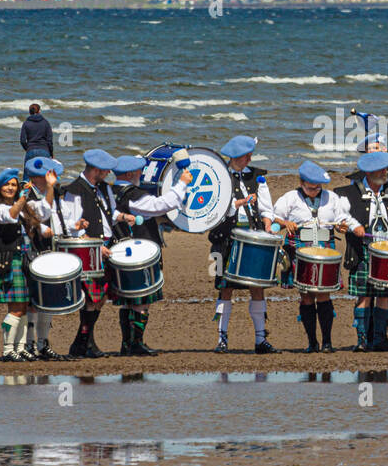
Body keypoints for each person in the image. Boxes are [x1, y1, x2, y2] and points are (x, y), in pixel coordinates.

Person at [109, 152, 192, 356]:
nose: (142, 172)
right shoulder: (134, 195)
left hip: (121, 251)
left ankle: (127, 343)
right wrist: (181, 183)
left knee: (130, 300)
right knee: (141, 300)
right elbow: (161, 206)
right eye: (138, 169)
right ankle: (135, 343)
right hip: (140, 253)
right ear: (129, 174)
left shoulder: (110, 191)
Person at [336, 150, 388, 352]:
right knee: (364, 295)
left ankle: (379, 339)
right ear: (368, 173)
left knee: (384, 294)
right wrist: (355, 226)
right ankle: (362, 340)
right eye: (380, 170)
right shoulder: (349, 192)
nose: (385, 173)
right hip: (363, 250)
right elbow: (341, 215)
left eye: (385, 169)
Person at [273, 160, 356, 353]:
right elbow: (273, 220)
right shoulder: (290, 197)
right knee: (306, 296)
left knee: (323, 294)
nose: (315, 191)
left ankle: (327, 342)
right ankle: (312, 343)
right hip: (299, 249)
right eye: (311, 188)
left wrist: (342, 227)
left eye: (318, 188)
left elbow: (342, 220)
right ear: (301, 182)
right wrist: (285, 223)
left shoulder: (332, 197)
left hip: (325, 249)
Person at [208, 135, 279, 354]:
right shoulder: (218, 178)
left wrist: (268, 224)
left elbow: (267, 209)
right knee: (224, 288)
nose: (249, 159)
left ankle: (260, 340)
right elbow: (217, 209)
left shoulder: (258, 177)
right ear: (235, 157)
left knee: (257, 288)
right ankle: (222, 339)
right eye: (245, 156)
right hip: (224, 241)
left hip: (253, 240)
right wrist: (239, 202)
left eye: (250, 156)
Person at [60, 149, 122, 359]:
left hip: (106, 247)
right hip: (87, 249)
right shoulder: (75, 190)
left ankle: (85, 343)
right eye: (105, 171)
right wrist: (95, 246)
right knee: (91, 297)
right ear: (95, 169)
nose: (108, 174)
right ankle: (81, 344)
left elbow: (110, 214)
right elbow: (69, 226)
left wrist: (124, 217)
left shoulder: (104, 188)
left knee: (102, 297)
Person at [0, 168, 35, 361]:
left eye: (14, 184)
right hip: (6, 261)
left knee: (22, 307)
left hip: (21, 259)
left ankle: (20, 347)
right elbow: (11, 215)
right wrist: (22, 199)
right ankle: (7, 349)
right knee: (15, 308)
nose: (10, 188)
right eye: (7, 184)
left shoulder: (19, 208)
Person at [20, 155, 66, 360]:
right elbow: (34, 216)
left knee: (47, 298)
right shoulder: (26, 192)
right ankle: (30, 343)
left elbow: (57, 215)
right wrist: (43, 228)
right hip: (32, 250)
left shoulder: (52, 191)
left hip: (49, 248)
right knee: (33, 301)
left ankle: (43, 343)